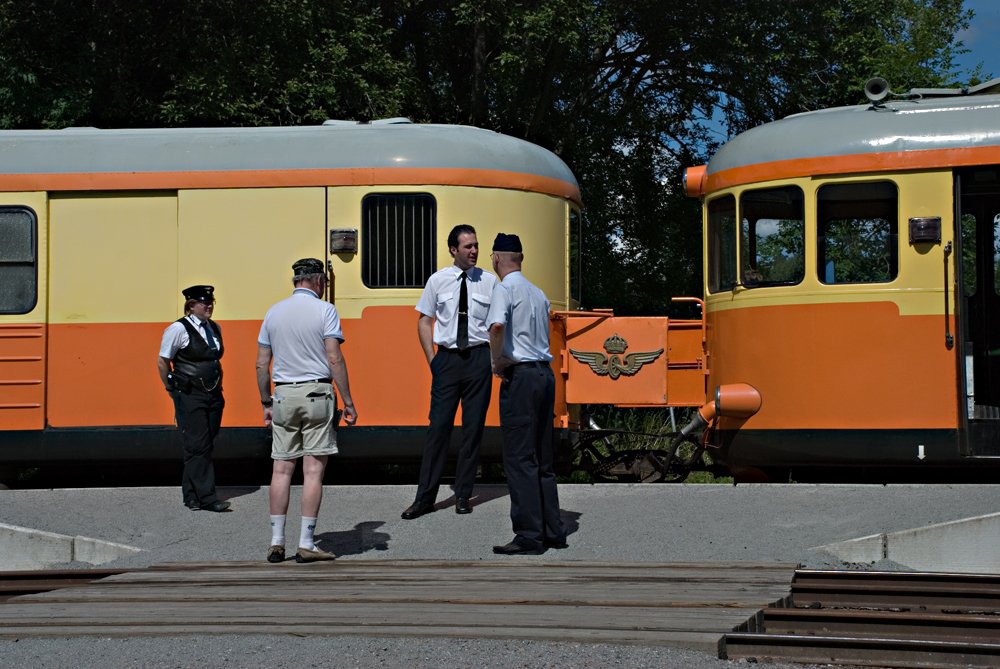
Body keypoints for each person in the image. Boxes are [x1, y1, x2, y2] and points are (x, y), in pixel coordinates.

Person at [256, 258, 358, 564]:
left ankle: (276, 542)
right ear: (317, 281)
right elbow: (334, 357)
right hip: (317, 393)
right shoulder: (325, 310)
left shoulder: (273, 312)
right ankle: (306, 542)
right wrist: (349, 401)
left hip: (283, 394)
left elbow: (262, 363)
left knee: (281, 470)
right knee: (313, 471)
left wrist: (265, 402)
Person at [401, 224, 497, 520]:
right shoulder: (438, 280)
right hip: (447, 361)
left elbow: (498, 325)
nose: (474, 251)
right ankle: (425, 498)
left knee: (472, 430)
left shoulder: (490, 282)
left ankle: (464, 494)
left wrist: (495, 360)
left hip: (479, 359)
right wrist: (433, 359)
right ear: (453, 250)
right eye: (468, 246)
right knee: (438, 428)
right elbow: (423, 320)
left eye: (476, 245)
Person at [486, 233, 567, 555]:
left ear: (497, 258)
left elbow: (495, 327)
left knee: (520, 459)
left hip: (520, 378)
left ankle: (529, 536)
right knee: (541, 457)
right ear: (520, 258)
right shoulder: (538, 292)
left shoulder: (503, 289)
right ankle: (553, 531)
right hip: (544, 377)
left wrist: (496, 361)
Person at [157, 285, 230, 513]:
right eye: (203, 303)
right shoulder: (178, 329)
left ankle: (191, 496)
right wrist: (171, 387)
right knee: (198, 444)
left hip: (214, 394)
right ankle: (208, 497)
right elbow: (163, 361)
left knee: (202, 445)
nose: (208, 306)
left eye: (211, 302)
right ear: (191, 305)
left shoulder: (214, 328)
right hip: (190, 394)